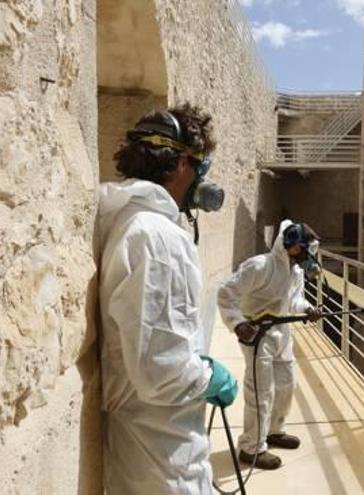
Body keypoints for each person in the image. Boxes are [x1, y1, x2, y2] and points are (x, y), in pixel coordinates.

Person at [96, 104, 237, 494]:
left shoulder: (131, 222)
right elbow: (161, 372)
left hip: (147, 446)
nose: (202, 177)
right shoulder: (158, 238)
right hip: (163, 454)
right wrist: (210, 378)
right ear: (179, 165)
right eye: (200, 165)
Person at [217, 220, 323, 470]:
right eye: (305, 250)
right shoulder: (260, 266)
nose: (308, 257)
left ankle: (275, 430)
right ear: (293, 245)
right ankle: (251, 447)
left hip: (281, 333)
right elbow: (225, 294)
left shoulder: (295, 271)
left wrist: (307, 309)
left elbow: (294, 299)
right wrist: (238, 324)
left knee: (287, 384)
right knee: (260, 392)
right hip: (257, 335)